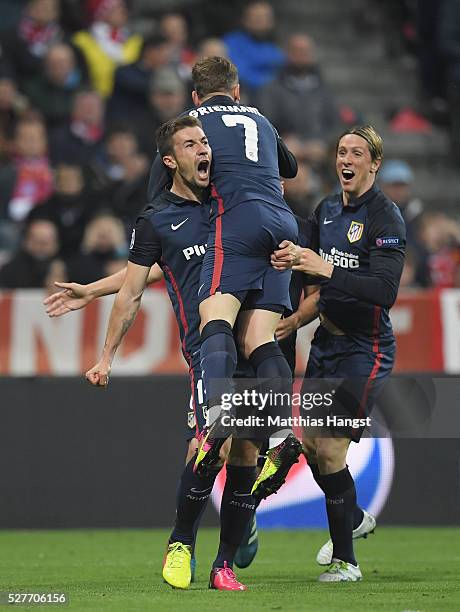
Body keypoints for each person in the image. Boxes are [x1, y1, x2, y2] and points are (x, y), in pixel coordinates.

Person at [80, 116, 260, 591]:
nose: (203, 150)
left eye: (204, 142)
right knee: (211, 445)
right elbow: (137, 286)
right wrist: (106, 354)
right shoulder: (157, 219)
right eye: (190, 144)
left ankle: (225, 561)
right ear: (170, 160)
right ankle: (182, 542)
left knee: (245, 450)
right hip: (206, 349)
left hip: (255, 345)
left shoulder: (232, 203)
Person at [272, 125, 406, 582]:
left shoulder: (386, 218)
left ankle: (347, 562)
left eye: (357, 153)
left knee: (329, 448)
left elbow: (384, 292)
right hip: (326, 344)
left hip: (364, 349)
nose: (346, 159)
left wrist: (325, 266)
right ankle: (352, 518)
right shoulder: (326, 210)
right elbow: (314, 286)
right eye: (341, 152)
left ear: (374, 163)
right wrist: (291, 322)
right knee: (312, 446)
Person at [175, 56, 302, 497]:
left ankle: (214, 417)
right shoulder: (260, 118)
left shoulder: (191, 122)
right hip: (283, 223)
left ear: (195, 95)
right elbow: (290, 168)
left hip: (238, 221)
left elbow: (178, 177)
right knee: (259, 339)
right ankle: (283, 435)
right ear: (236, 91)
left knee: (215, 313)